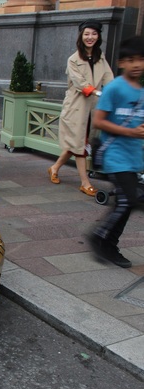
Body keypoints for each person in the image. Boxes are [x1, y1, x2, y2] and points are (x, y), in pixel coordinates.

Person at [87, 36, 144, 268]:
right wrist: (128, 132)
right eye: (131, 60)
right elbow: (99, 121)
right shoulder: (115, 88)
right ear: (121, 63)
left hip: (134, 158)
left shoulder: (141, 91)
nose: (137, 64)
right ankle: (99, 237)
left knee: (126, 203)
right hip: (115, 156)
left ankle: (108, 245)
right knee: (127, 201)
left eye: (141, 59)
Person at [47, 20, 114, 196]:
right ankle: (85, 182)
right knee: (80, 145)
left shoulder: (101, 57)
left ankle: (54, 167)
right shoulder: (73, 59)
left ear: (98, 36)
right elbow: (80, 83)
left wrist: (117, 92)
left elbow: (109, 78)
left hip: (93, 108)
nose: (90, 37)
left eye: (93, 34)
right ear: (81, 36)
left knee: (78, 143)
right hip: (76, 107)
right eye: (86, 34)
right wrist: (97, 92)